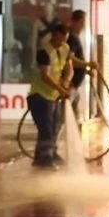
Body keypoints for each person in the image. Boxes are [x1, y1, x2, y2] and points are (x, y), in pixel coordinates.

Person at [29, 22, 72, 168]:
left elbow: (69, 68)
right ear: (54, 36)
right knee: (46, 129)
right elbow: (45, 76)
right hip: (39, 97)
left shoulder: (65, 48)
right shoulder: (44, 51)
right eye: (60, 40)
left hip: (54, 97)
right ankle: (45, 160)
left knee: (53, 128)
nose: (62, 43)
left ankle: (45, 156)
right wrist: (61, 89)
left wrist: (66, 81)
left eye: (65, 40)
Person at [65, 10, 97, 119]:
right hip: (70, 85)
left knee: (74, 116)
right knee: (65, 117)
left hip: (74, 86)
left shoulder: (75, 37)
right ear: (75, 22)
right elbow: (70, 60)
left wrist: (86, 70)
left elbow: (75, 63)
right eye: (82, 22)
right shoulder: (72, 38)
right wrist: (88, 64)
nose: (83, 25)